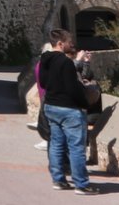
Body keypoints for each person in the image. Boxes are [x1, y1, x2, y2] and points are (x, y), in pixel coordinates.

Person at [40, 29, 99, 195]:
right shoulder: (65, 62)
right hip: (69, 109)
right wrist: (83, 104)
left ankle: (58, 180)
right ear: (60, 43)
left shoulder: (45, 60)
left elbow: (44, 83)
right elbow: (72, 88)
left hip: (51, 106)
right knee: (76, 148)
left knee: (57, 145)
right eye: (69, 42)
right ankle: (81, 184)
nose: (71, 45)